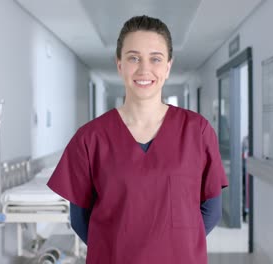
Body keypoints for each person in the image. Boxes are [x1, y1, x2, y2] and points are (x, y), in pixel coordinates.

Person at [47, 15, 228, 264]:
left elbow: (211, 211)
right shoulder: (90, 138)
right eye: (133, 58)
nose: (144, 69)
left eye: (155, 58)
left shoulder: (197, 131)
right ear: (119, 64)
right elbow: (80, 219)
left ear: (168, 67)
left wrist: (176, 246)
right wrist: (117, 248)